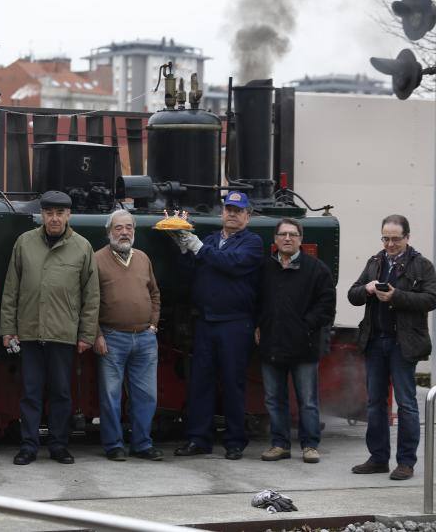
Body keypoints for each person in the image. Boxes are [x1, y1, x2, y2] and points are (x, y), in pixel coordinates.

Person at [0, 190, 99, 466]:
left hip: (63, 333)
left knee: (61, 393)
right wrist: (8, 329)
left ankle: (58, 444)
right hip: (30, 332)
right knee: (30, 393)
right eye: (49, 213)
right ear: (41, 215)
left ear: (68, 215)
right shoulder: (24, 243)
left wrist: (86, 334)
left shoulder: (82, 247)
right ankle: (28, 446)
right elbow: (11, 290)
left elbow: (91, 296)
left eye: (59, 213)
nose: (54, 218)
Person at [170, 191, 263, 460]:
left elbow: (231, 265)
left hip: (235, 323)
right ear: (222, 213)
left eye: (238, 210)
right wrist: (184, 250)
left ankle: (235, 442)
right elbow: (190, 274)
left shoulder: (252, 243)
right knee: (201, 383)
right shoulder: (210, 240)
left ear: (247, 216)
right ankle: (198, 439)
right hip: (206, 321)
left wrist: (198, 248)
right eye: (228, 209)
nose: (232, 214)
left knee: (233, 384)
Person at [348, 214, 436, 481]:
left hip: (403, 344)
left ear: (407, 237)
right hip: (375, 342)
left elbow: (431, 299)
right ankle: (378, 458)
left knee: (406, 404)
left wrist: (397, 297)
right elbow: (352, 295)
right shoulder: (375, 262)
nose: (389, 244)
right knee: (375, 404)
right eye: (385, 238)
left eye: (395, 239)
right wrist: (367, 288)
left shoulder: (422, 265)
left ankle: (406, 462)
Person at [256, 218, 336, 464]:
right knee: (273, 399)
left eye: (293, 234)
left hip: (304, 345)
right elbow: (254, 300)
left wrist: (305, 326)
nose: (288, 238)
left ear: (301, 239)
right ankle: (279, 444)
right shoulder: (264, 269)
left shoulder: (316, 269)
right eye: (283, 234)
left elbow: (326, 305)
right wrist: (258, 324)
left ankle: (310, 446)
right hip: (271, 343)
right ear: (275, 239)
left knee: (308, 401)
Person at [94, 210, 163, 462]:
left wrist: (153, 325)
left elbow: (154, 293)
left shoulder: (143, 258)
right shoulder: (97, 259)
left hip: (145, 338)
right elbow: (89, 302)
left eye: (128, 228)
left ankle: (142, 444)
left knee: (146, 395)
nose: (124, 233)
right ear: (109, 232)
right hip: (111, 338)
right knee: (111, 396)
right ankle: (113, 445)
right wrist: (97, 335)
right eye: (118, 228)